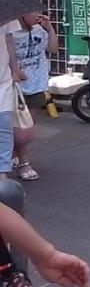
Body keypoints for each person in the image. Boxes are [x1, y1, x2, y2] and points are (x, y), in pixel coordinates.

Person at [10, 10, 58, 181]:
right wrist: (14, 70)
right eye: (34, 12)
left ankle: (14, 154)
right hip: (16, 86)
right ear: (21, 13)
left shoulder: (39, 30)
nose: (38, 15)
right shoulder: (11, 32)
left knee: (28, 125)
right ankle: (24, 162)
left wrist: (50, 28)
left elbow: (53, 49)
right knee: (21, 127)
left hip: (37, 84)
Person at [0, 20, 21, 180]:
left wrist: (15, 69)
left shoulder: (4, 8)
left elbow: (9, 40)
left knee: (4, 128)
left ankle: (2, 174)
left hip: (3, 81)